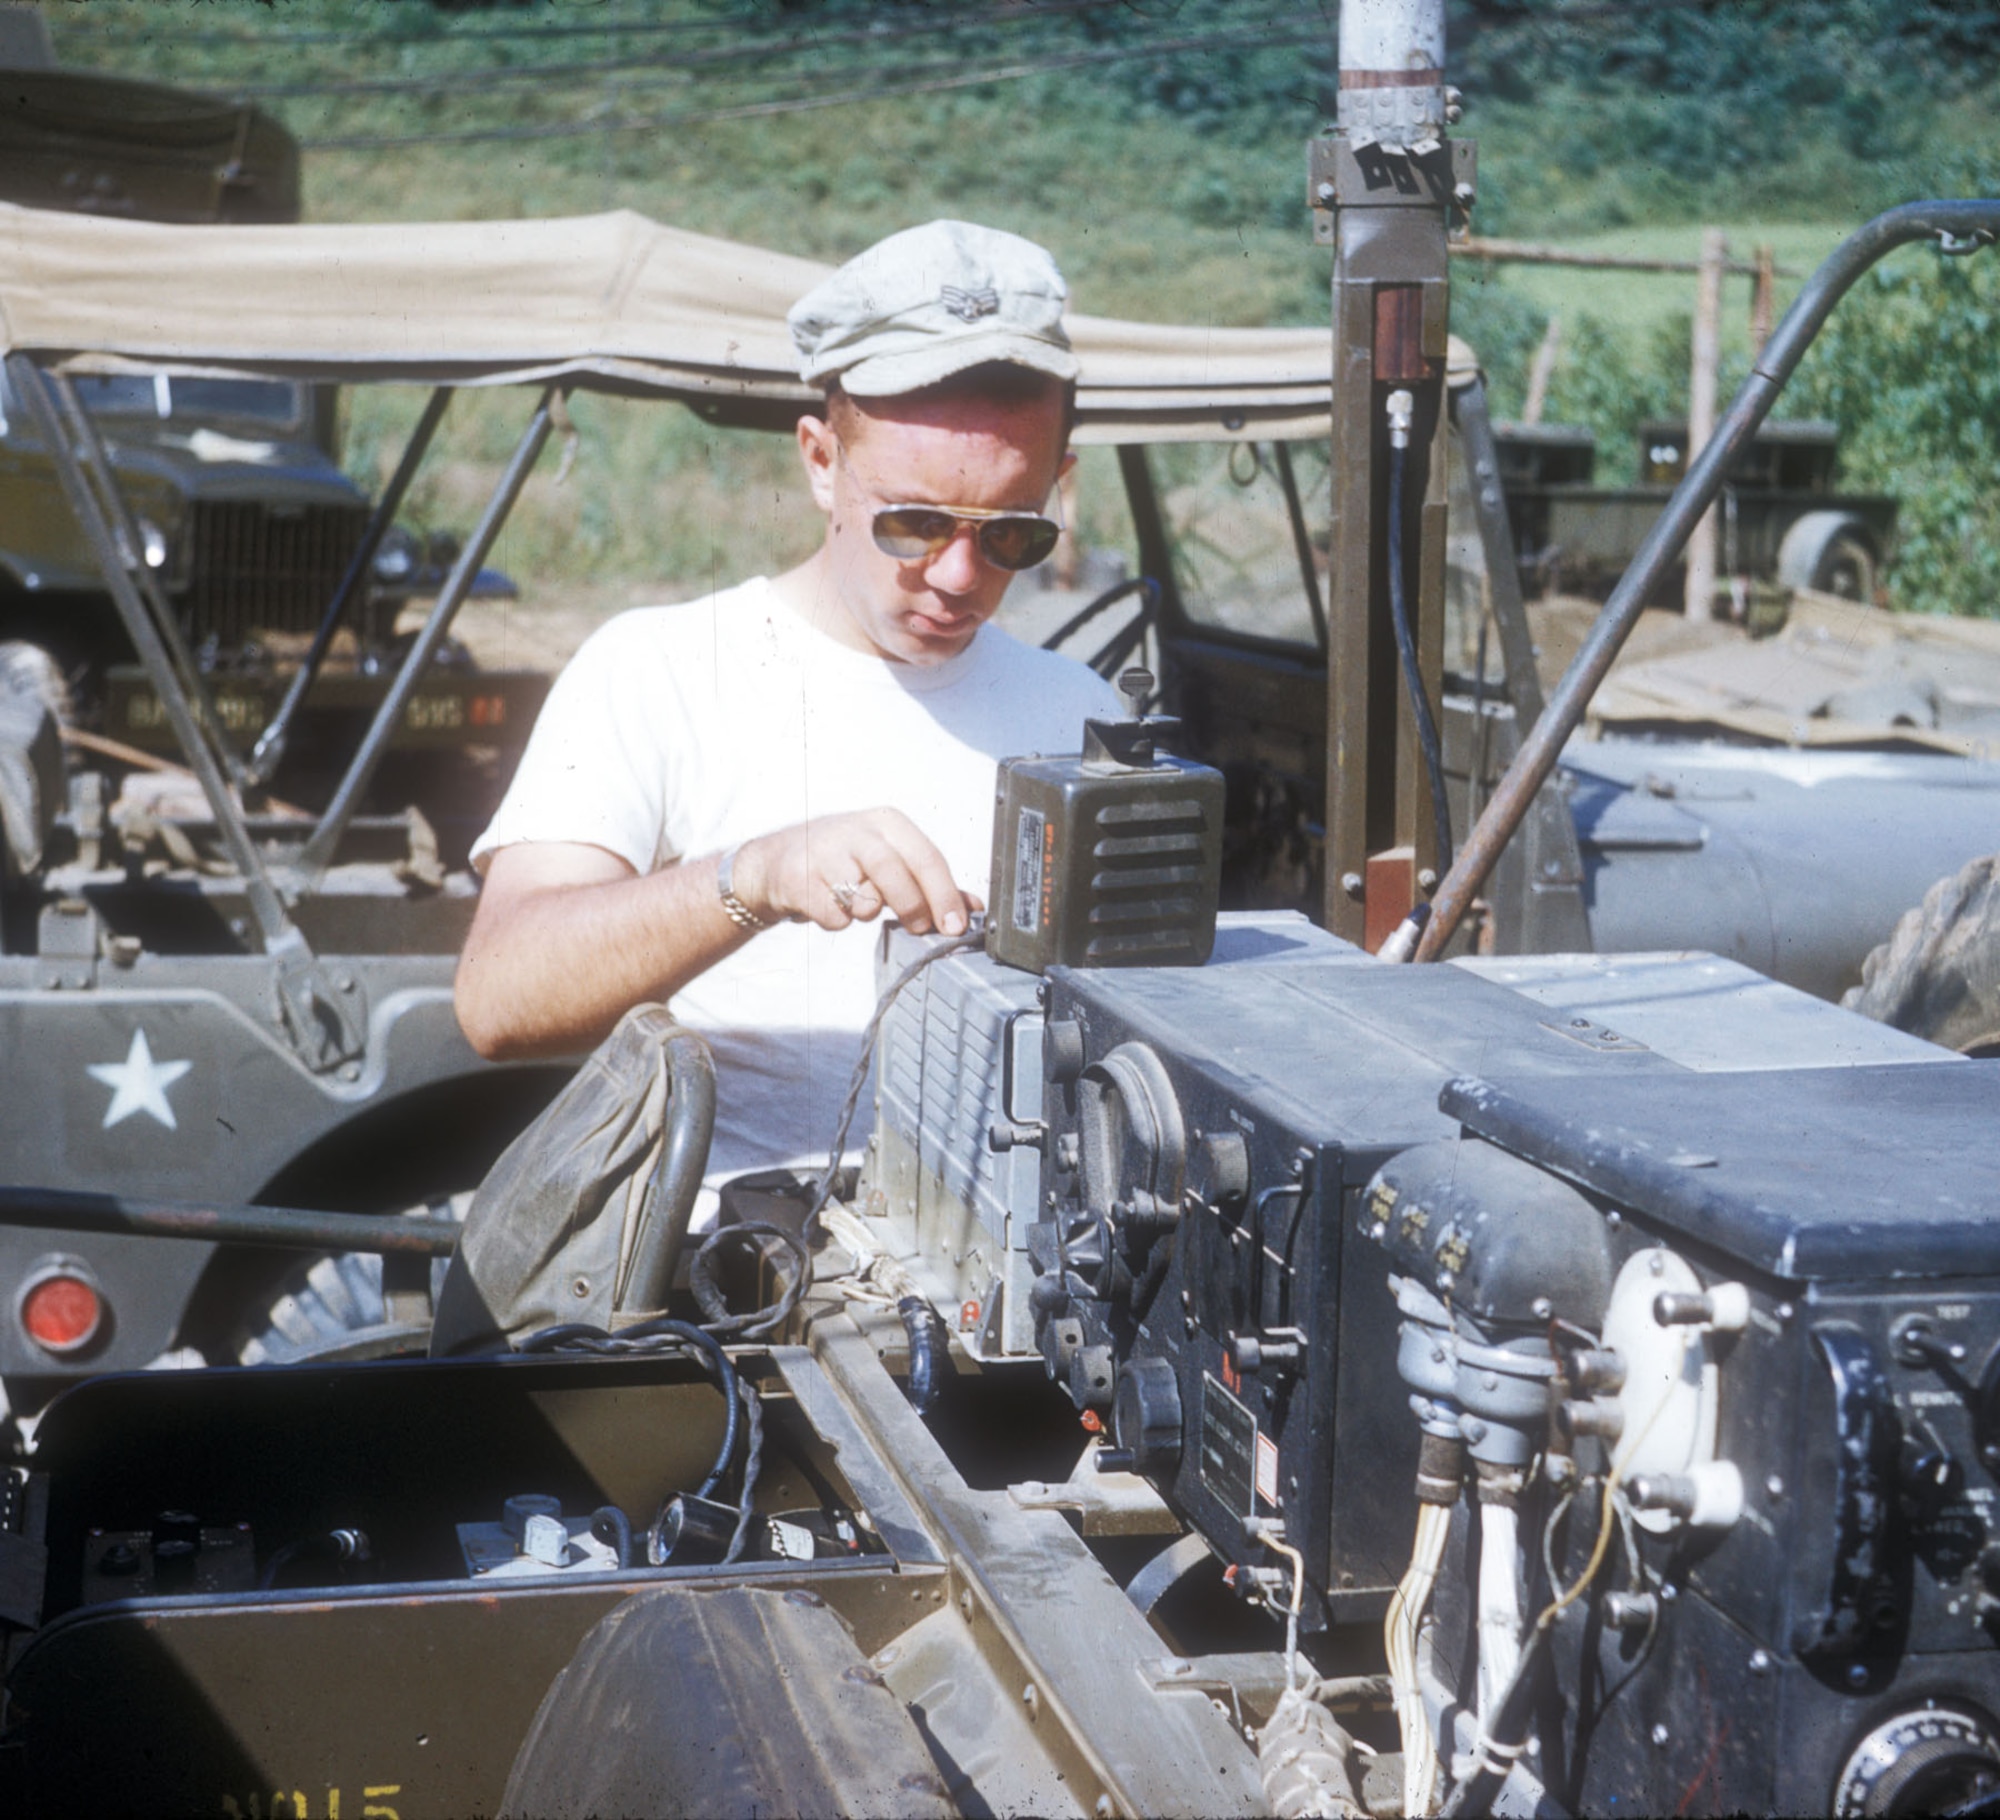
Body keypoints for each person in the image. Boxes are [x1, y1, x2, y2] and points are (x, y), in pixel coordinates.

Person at [454, 219, 1121, 1206]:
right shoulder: (660, 668)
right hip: (728, 1293)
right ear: (819, 462)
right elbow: (499, 997)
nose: (955, 576)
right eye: (913, 522)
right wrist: (749, 879)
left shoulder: (1085, 717)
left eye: (1011, 534)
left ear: (1059, 487)